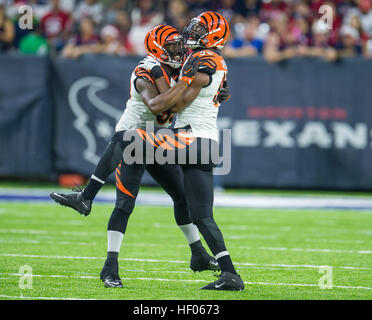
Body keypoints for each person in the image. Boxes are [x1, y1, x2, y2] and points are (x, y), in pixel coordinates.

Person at [53, 11, 244, 291]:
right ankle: (228, 273)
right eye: (173, 46)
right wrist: (206, 86)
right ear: (158, 50)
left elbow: (178, 101)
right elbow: (189, 90)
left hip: (179, 140)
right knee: (194, 211)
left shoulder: (200, 60)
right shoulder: (151, 68)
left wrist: (193, 85)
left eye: (193, 33)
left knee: (129, 139)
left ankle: (86, 197)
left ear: (213, 35)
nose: (182, 45)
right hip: (188, 143)